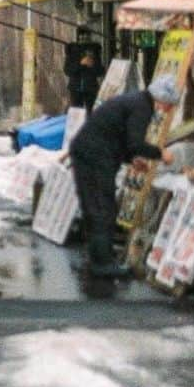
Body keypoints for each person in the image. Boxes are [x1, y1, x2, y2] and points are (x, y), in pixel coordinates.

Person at [68, 74, 179, 280]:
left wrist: (131, 159)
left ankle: (98, 258)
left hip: (90, 153)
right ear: (162, 99)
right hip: (95, 157)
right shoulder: (142, 108)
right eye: (170, 105)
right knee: (103, 208)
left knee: (95, 207)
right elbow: (135, 143)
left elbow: (120, 137)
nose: (169, 110)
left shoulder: (136, 101)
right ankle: (102, 264)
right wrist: (159, 153)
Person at [64, 24, 105, 110]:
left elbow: (100, 71)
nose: (84, 37)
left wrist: (92, 65)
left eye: (87, 35)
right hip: (75, 88)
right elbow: (67, 70)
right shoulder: (72, 50)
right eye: (81, 35)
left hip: (91, 88)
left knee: (91, 112)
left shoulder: (94, 50)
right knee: (77, 113)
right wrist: (81, 64)